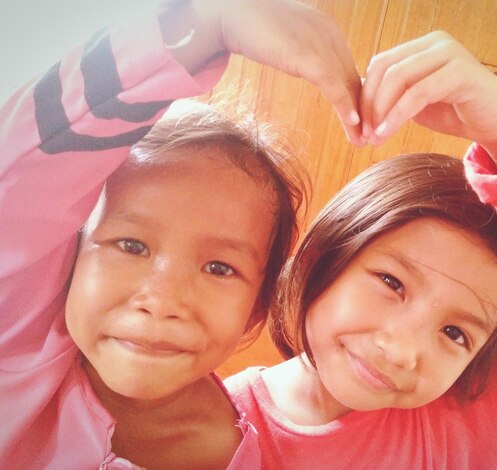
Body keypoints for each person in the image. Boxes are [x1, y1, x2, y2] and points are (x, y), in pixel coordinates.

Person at [225, 31, 497, 469]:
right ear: (326, 252)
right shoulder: (215, 423)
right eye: (392, 283)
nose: (401, 351)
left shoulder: (466, 420)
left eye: (455, 334)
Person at [0, 0, 363, 468]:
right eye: (132, 246)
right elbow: (21, 179)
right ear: (70, 256)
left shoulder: (237, 452)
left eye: (219, 267)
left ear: (256, 307)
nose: (163, 300)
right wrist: (203, 26)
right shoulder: (20, 349)